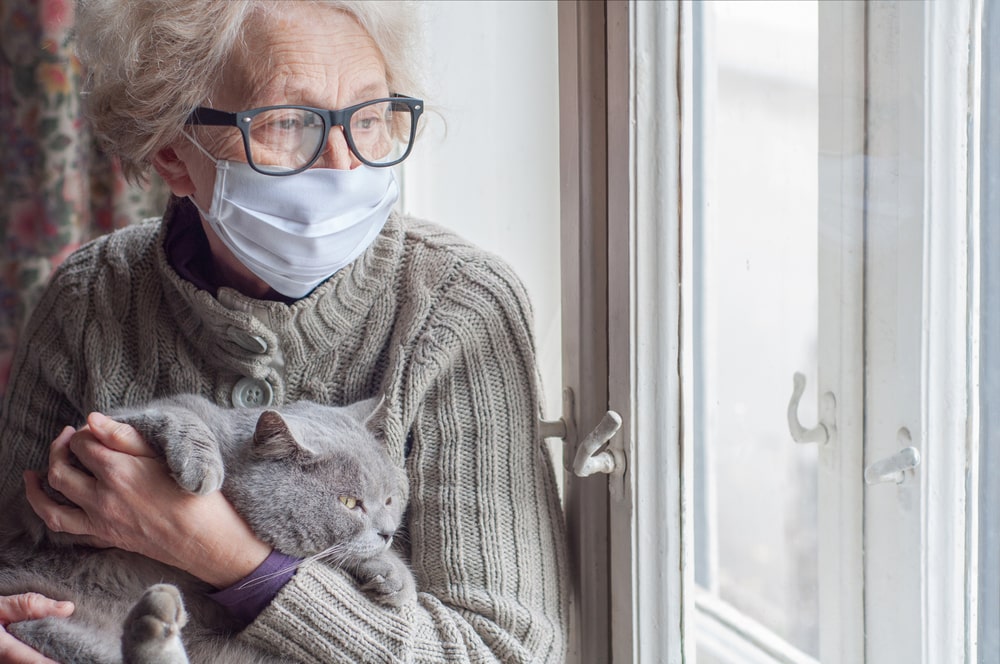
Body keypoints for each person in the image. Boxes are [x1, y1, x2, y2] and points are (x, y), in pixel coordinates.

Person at [0, 0, 570, 661]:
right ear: (172, 154)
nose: (343, 163)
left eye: (370, 116)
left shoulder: (458, 310)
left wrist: (234, 560)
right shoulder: (90, 298)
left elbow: (506, 651)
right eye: (287, 122)